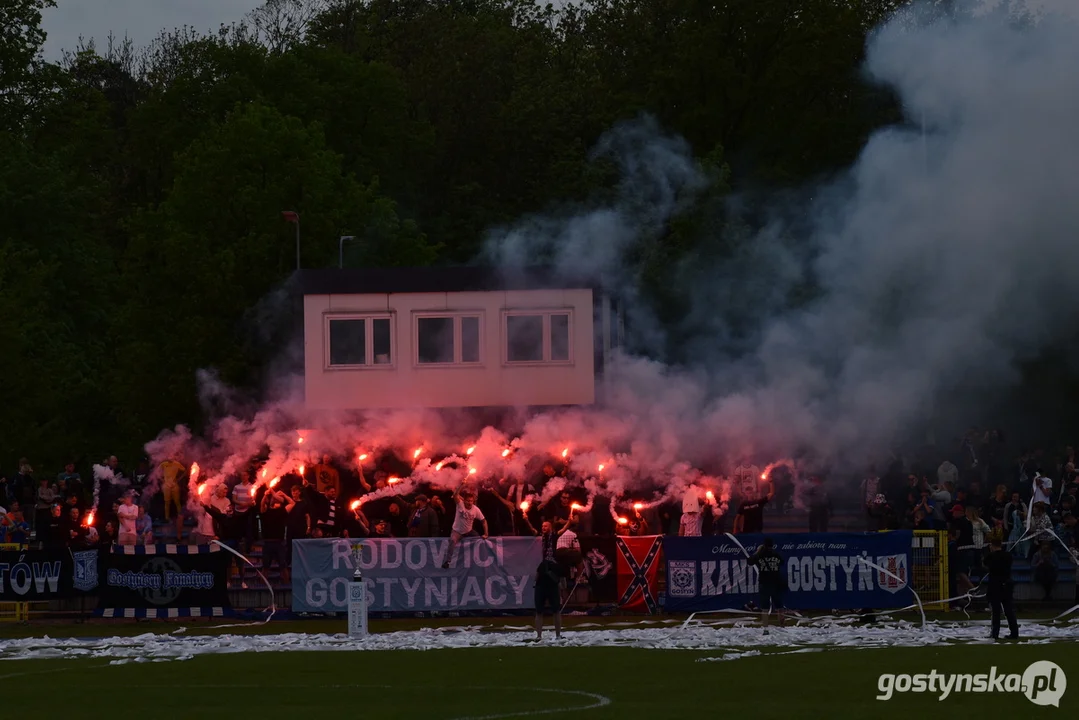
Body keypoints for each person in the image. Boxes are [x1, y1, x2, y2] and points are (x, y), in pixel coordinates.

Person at [534, 521, 565, 641]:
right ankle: (539, 635)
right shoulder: (540, 540)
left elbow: (562, 530)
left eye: (545, 526)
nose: (543, 528)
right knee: (539, 611)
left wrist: (569, 521)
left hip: (550, 584)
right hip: (542, 583)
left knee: (556, 610)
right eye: (542, 526)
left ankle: (557, 634)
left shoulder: (554, 563)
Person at [442, 487, 487, 569]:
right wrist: (461, 485)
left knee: (479, 539)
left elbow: (484, 521)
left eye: (471, 501)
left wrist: (486, 534)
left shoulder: (476, 509)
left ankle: (477, 559)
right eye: (468, 501)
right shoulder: (460, 504)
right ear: (464, 500)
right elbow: (455, 495)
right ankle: (448, 561)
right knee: (452, 540)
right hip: (457, 531)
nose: (469, 503)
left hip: (469, 531)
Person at [984, 533, 1019, 640]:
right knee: (1008, 610)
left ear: (992, 545)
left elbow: (985, 565)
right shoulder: (1008, 556)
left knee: (995, 611)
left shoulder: (990, 556)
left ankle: (995, 633)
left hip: (995, 585)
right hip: (1006, 584)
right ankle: (1014, 632)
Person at [748, 537, 786, 629]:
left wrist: (758, 551)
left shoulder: (760, 555)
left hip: (764, 584)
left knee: (765, 608)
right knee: (779, 607)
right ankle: (782, 626)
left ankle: (765, 627)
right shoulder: (776, 554)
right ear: (772, 545)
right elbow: (782, 562)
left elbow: (750, 562)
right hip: (776, 584)